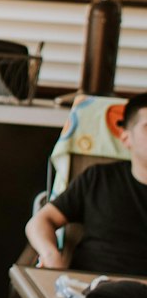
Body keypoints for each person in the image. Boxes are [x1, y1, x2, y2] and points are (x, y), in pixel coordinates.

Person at [24, 93, 147, 276]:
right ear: (125, 138)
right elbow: (41, 221)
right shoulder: (99, 179)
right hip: (88, 290)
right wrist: (51, 255)